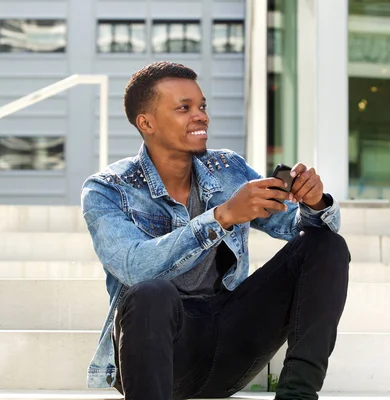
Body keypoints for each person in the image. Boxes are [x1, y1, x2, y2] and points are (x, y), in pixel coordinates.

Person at [81, 61, 350, 400]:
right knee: (150, 294)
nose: (201, 116)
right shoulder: (108, 189)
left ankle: (297, 395)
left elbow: (295, 227)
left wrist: (314, 203)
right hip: (162, 355)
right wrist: (222, 217)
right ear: (145, 122)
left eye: (202, 106)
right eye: (184, 108)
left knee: (326, 245)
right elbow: (134, 267)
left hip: (231, 343)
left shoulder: (228, 169)